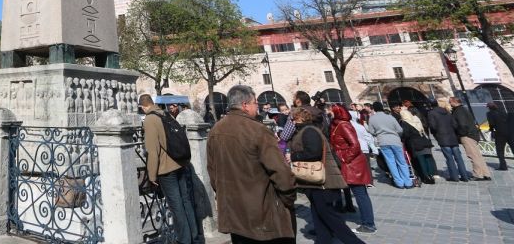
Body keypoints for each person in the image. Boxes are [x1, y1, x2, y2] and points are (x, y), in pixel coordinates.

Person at [207, 85, 296, 244]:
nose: (258, 106)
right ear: (245, 105)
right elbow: (281, 172)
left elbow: (213, 174)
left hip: (235, 214)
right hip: (263, 214)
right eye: (255, 102)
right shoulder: (258, 130)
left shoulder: (215, 130)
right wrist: (288, 199)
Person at [290, 107, 364, 244]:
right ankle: (323, 240)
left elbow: (314, 153)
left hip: (324, 182)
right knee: (319, 214)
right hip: (315, 183)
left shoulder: (309, 131)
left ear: (300, 118)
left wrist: (293, 156)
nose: (292, 122)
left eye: (293, 119)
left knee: (329, 216)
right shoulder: (306, 130)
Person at [140, 94, 200, 244]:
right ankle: (195, 236)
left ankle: (184, 240)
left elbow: (153, 151)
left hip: (166, 170)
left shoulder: (150, 119)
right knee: (185, 201)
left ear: (143, 106)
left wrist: (152, 176)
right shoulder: (165, 114)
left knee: (176, 206)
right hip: (179, 163)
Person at [329, 104, 376, 235]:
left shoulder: (343, 125)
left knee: (360, 194)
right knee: (359, 194)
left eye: (331, 111)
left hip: (352, 165)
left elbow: (355, 144)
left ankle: (369, 224)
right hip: (350, 164)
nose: (329, 113)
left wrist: (344, 158)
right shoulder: (338, 124)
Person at [367, 102, 411, 189]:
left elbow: (371, 131)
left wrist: (378, 133)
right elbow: (399, 129)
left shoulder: (372, 119)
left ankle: (399, 182)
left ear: (374, 109)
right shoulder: (390, 117)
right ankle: (408, 182)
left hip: (383, 141)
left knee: (391, 162)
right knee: (401, 161)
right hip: (395, 140)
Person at [427, 97, 470, 182]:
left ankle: (454, 177)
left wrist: (435, 133)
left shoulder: (431, 113)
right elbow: (454, 124)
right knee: (459, 158)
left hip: (442, 137)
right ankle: (465, 176)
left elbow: (433, 126)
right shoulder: (446, 111)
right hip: (452, 137)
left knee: (449, 158)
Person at [392, 103, 436, 184]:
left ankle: (425, 177)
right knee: (427, 159)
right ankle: (431, 176)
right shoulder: (416, 119)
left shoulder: (405, 123)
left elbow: (406, 134)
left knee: (421, 160)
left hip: (415, 143)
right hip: (424, 141)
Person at [450, 97, 491, 180]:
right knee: (478, 155)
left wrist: (462, 134)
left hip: (467, 136)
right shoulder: (463, 109)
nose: (449, 104)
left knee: (473, 155)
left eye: (450, 102)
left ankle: (478, 174)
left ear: (454, 102)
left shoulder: (458, 111)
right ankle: (485, 173)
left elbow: (462, 124)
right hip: (472, 134)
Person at [486, 102, 510, 171]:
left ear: (488, 107)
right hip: (509, 132)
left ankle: (503, 166)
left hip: (500, 134)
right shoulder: (503, 112)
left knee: (500, 150)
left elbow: (491, 124)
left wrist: (491, 129)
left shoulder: (489, 114)